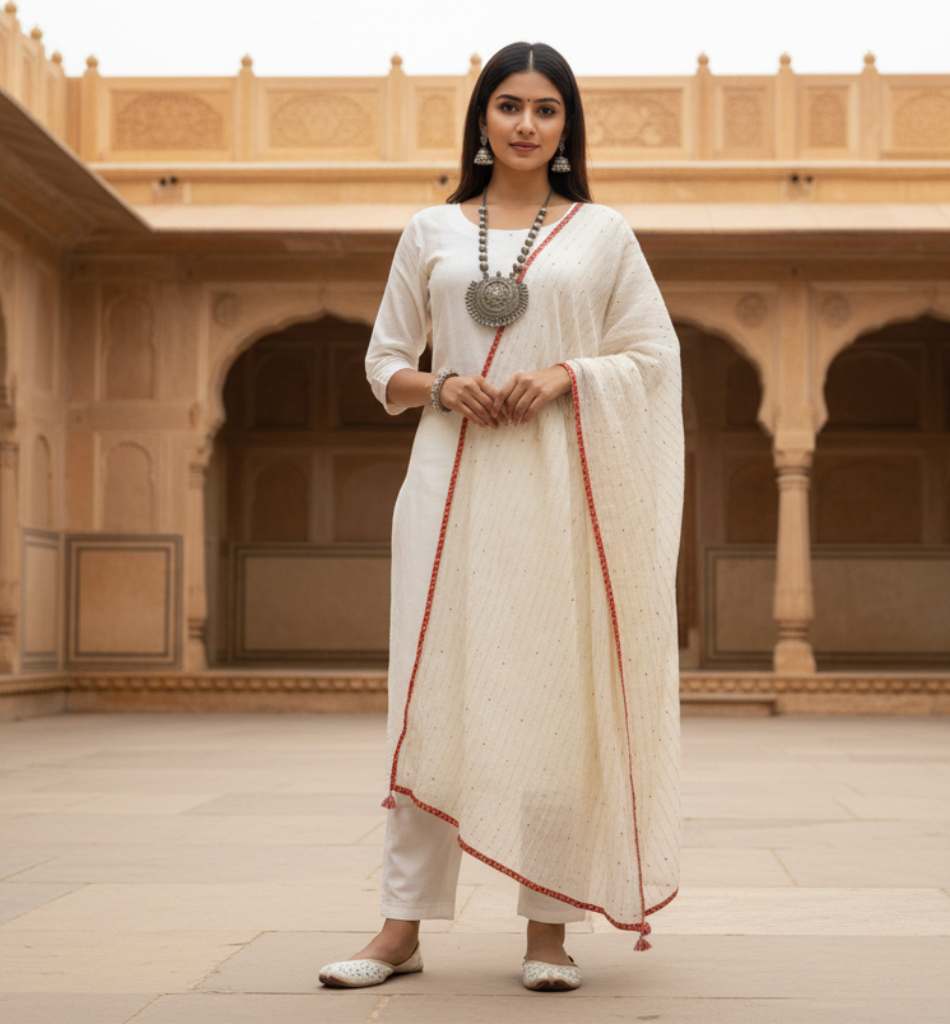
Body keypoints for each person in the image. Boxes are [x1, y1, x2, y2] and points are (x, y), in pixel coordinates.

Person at [319, 40, 684, 993]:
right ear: (482, 120)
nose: (526, 124)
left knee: (554, 698)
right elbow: (381, 367)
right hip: (446, 490)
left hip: (560, 490)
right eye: (509, 106)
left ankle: (549, 927)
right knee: (427, 692)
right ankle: (400, 927)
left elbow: (651, 357)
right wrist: (441, 386)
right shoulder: (430, 233)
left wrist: (569, 373)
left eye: (546, 109)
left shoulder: (603, 234)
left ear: (567, 128)